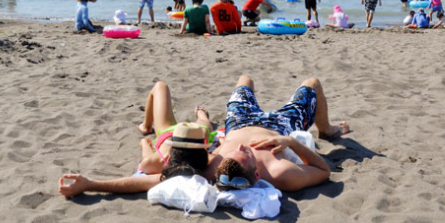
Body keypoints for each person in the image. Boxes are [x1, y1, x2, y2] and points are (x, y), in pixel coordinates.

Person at [59, 81, 214, 197]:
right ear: (205, 154)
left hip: (179, 133)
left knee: (160, 86)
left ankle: (146, 126)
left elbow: (132, 180)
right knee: (204, 124)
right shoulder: (209, 165)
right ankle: (201, 114)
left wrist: (144, 144)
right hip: (195, 136)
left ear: (168, 156)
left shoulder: (156, 164)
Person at [212, 75, 349, 192]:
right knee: (312, 83)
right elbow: (324, 171)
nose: (241, 146)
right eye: (247, 153)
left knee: (245, 79)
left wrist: (222, 142)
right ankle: (326, 130)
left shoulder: (215, 167)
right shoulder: (279, 172)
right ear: (257, 174)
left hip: (238, 121)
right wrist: (290, 141)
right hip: (280, 126)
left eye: (232, 152)